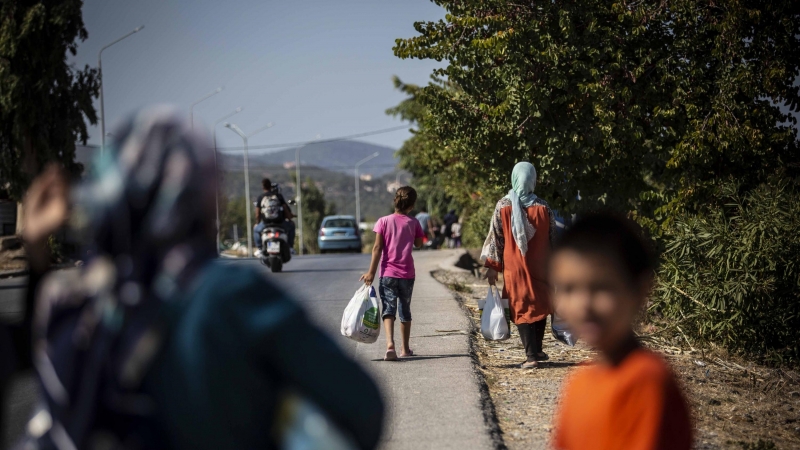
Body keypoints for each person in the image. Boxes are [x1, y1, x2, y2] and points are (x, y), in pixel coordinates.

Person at [17, 107, 384, 450]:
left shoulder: (68, 301)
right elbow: (362, 408)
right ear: (204, 195)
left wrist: (36, 253)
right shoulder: (232, 294)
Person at [550, 212, 692, 450]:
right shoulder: (579, 382)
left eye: (601, 287)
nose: (584, 305)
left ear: (640, 290)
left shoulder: (646, 381)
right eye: (569, 288)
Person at [481, 162, 555, 369]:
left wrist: (492, 267)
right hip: (541, 264)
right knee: (539, 302)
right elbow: (552, 239)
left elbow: (496, 239)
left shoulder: (503, 205)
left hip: (515, 266)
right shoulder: (544, 206)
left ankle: (531, 355)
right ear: (533, 179)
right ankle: (536, 349)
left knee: (520, 305)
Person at [360, 186, 424, 361]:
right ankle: (405, 348)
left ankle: (390, 345)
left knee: (388, 309)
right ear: (411, 205)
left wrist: (371, 272)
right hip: (407, 274)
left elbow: (377, 248)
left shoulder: (383, 221)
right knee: (405, 310)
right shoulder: (414, 223)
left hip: (387, 273)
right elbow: (419, 244)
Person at [254, 177, 295, 256]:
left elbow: (257, 214)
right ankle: (290, 247)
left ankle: (259, 248)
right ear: (270, 186)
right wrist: (289, 218)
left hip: (266, 224)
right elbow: (286, 209)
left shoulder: (260, 197)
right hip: (279, 223)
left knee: (255, 229)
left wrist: (257, 223)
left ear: (263, 187)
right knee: (292, 226)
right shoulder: (278, 196)